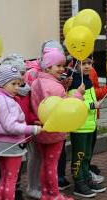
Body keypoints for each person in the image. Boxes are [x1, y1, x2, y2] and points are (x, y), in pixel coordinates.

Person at [31, 46, 85, 200]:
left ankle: (45, 194)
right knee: (52, 164)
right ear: (48, 67)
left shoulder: (36, 83)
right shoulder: (55, 87)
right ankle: (55, 194)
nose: (62, 69)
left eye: (63, 65)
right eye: (58, 66)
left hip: (41, 129)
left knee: (45, 163)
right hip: (55, 131)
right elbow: (64, 107)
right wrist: (77, 94)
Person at [0, 64, 42, 200]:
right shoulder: (6, 101)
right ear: (1, 83)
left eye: (18, 83)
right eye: (13, 84)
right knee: (11, 179)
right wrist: (32, 129)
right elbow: (10, 126)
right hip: (11, 145)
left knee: (5, 177)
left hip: (1, 144)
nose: (17, 87)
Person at [68, 57, 106, 198]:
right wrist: (91, 105)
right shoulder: (73, 82)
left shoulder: (88, 80)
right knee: (79, 156)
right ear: (76, 65)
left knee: (87, 155)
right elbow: (72, 103)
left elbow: (90, 98)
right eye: (83, 63)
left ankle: (86, 179)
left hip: (90, 124)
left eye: (89, 63)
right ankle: (79, 183)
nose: (87, 66)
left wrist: (95, 102)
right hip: (79, 127)